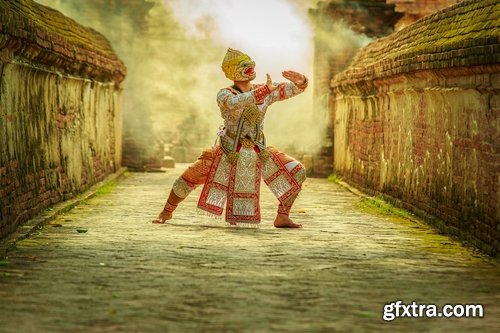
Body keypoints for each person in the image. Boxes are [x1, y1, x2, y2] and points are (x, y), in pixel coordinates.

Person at [152, 48, 308, 228]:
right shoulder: (224, 94)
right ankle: (166, 212)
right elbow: (236, 102)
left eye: (251, 64)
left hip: (258, 150)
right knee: (187, 178)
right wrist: (262, 92)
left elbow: (288, 90)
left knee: (298, 171)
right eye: (245, 66)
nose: (250, 67)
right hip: (228, 151)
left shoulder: (265, 90)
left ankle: (283, 216)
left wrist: (301, 82)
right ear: (233, 71)